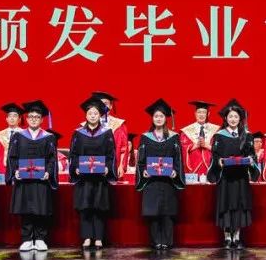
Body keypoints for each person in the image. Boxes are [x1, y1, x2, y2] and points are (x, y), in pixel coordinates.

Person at [206, 99, 260, 248]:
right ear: (225, 118)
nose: (233, 119)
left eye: (236, 116)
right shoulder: (219, 136)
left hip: (241, 178)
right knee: (226, 205)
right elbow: (215, 156)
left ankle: (236, 237)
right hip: (226, 178)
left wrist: (251, 161)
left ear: (240, 118)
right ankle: (227, 237)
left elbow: (252, 155)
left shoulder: (247, 136)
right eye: (230, 116)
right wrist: (219, 162)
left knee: (239, 206)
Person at [7, 100, 58, 252]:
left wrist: (48, 172)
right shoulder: (18, 136)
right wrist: (15, 171)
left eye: (37, 117)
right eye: (31, 117)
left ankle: (40, 238)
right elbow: (12, 157)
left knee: (41, 209)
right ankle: (27, 239)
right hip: (24, 181)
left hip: (41, 180)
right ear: (26, 119)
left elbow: (52, 159)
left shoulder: (48, 137)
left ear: (42, 120)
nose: (34, 119)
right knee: (25, 209)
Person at [136, 98, 185, 249]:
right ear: (152, 118)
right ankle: (156, 241)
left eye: (161, 116)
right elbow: (141, 160)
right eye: (156, 116)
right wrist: (144, 171)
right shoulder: (145, 137)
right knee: (154, 212)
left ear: (166, 118)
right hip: (152, 182)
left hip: (168, 182)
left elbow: (178, 159)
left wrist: (175, 172)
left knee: (167, 212)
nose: (158, 118)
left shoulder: (174, 137)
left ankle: (167, 241)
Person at [69, 96, 118, 249]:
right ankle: (87, 237)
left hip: (100, 179)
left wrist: (107, 168)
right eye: (90, 113)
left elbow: (111, 154)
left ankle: (98, 238)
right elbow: (73, 154)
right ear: (86, 115)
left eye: (95, 113)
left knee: (99, 208)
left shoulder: (106, 133)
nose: (92, 116)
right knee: (85, 208)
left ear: (100, 115)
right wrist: (76, 167)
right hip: (84, 179)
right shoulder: (78, 133)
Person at [90, 91, 130, 178]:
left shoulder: (119, 124)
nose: (102, 106)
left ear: (111, 106)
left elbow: (124, 148)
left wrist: (121, 166)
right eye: (99, 103)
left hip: (112, 166)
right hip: (92, 167)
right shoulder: (86, 125)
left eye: (105, 103)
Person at [178, 100, 219, 182]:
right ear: (195, 113)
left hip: (210, 165)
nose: (201, 115)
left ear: (208, 114)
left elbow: (221, 148)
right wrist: (196, 145)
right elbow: (181, 149)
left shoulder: (216, 130)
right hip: (193, 165)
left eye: (204, 112)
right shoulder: (186, 131)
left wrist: (207, 146)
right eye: (199, 112)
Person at [0, 102, 25, 179]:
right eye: (10, 116)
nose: (12, 118)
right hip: (3, 170)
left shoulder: (25, 134)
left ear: (19, 119)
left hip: (20, 169)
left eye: (15, 116)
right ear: (6, 119)